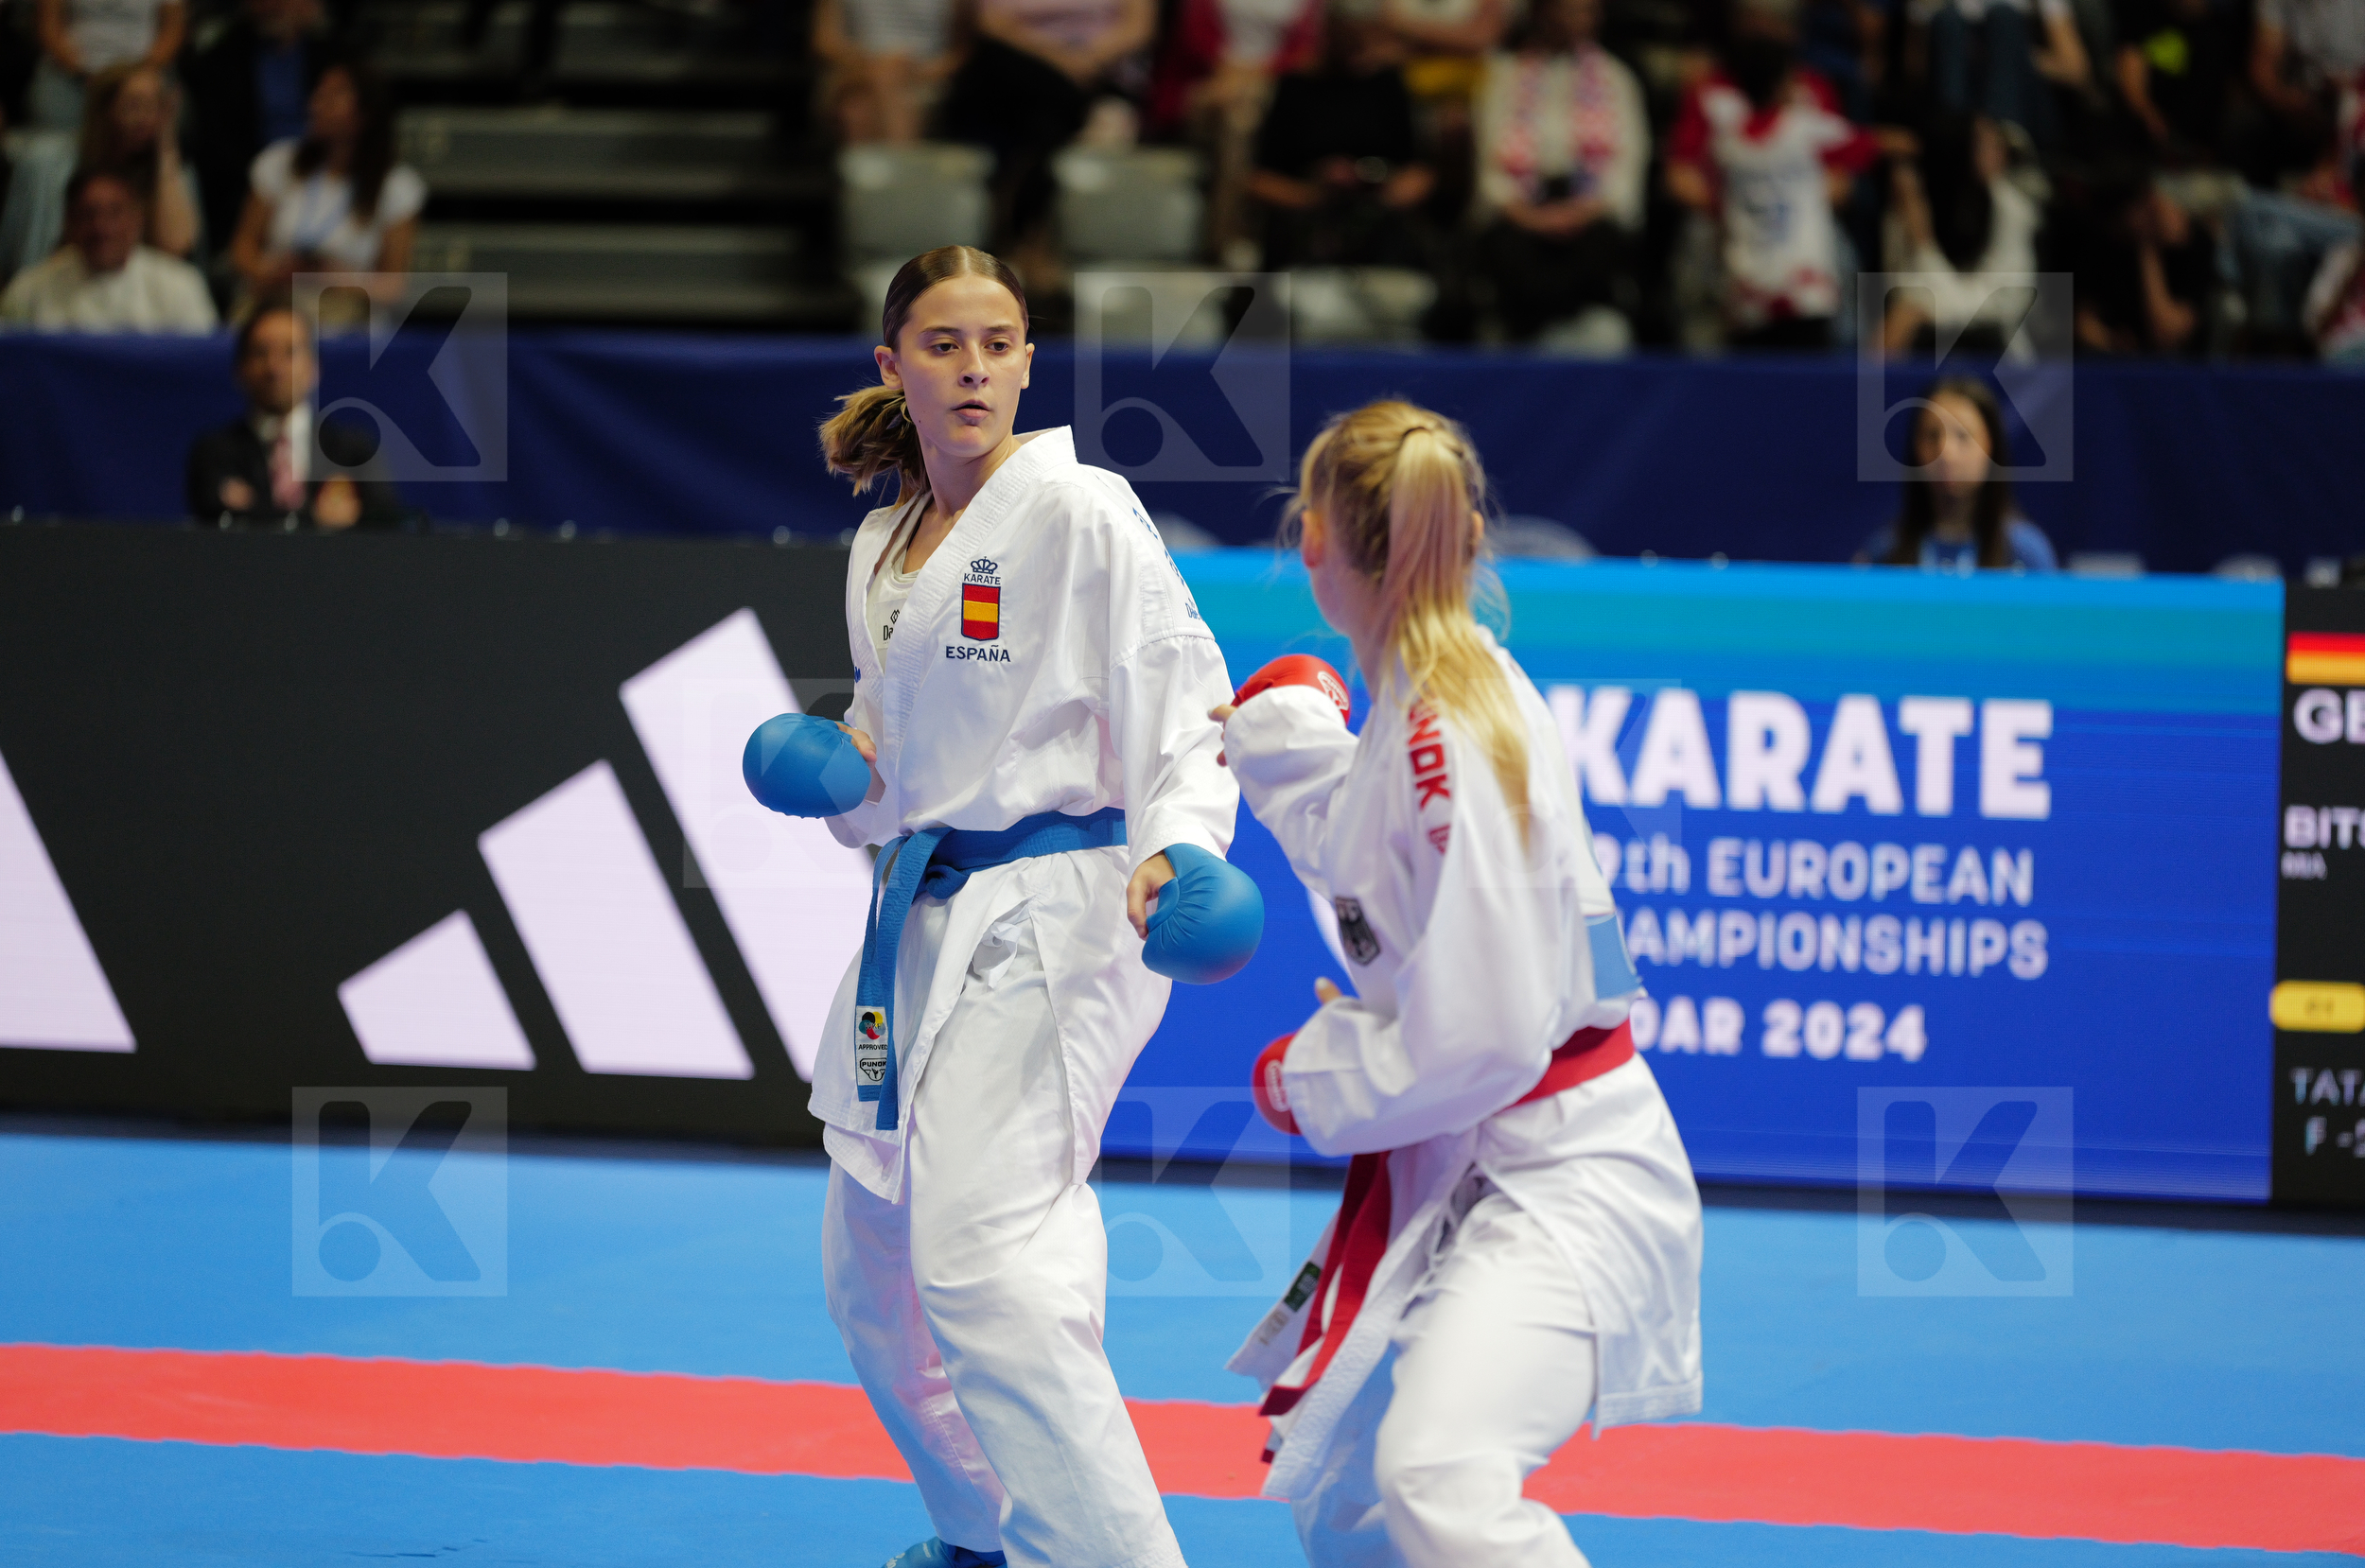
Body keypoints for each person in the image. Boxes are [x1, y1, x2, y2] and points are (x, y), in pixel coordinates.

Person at [1216, 399, 1703, 1566]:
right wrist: (1285, 743)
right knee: (1349, 1488)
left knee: (1436, 1473)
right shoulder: (1431, 701)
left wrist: (1313, 1075)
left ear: (1316, 542)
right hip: (1476, 1161)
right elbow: (1373, 857)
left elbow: (1483, 1038)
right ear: (1467, 533)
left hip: (1559, 1172)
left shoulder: (1447, 731)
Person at [810, 244, 1238, 1568]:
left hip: (1064, 903)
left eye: (998, 343)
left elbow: (1184, 695)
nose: (975, 367)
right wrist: (839, 775)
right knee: (869, 1264)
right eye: (944, 344)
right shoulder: (883, 546)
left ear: (1029, 362)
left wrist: (1184, 848)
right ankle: (981, 1532)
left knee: (992, 1258)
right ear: (895, 367)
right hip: (922, 911)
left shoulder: (1080, 507)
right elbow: (892, 774)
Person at [1665, 0, 1879, 349]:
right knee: (1698, 245)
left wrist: (1797, 205)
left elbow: (1843, 173)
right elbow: (1680, 174)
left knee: (1837, 251)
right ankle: (1702, 354)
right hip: (1722, 220)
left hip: (1799, 218)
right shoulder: (1710, 95)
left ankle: (1843, 355)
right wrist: (1731, 209)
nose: (1760, 36)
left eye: (1771, 26)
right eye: (1752, 25)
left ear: (1791, 32)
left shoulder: (1811, 94)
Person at [1470, 0, 1650, 342]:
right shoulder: (1504, 75)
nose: (1579, 19)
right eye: (1569, 9)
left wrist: (1577, 214)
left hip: (1589, 214)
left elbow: (1625, 173)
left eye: (1587, 10)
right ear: (1543, 13)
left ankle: (1572, 333)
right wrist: (1533, 218)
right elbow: (1490, 170)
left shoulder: (1617, 78)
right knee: (1511, 255)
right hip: (1523, 214)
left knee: (1597, 255)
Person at [937, 0, 1158, 255]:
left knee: (1045, 120)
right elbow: (991, 23)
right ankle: (1035, 237)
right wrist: (1059, 59)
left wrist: (1086, 60)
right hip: (1019, 73)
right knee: (1009, 87)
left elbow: (1138, 28)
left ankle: (1012, 231)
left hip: (1095, 74)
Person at [184, 300, 407, 529]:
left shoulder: (353, 451)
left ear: (314, 368)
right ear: (240, 369)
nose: (274, 367)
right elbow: (212, 518)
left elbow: (386, 523)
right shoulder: (215, 452)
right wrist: (316, 518)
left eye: (289, 353)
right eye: (261, 353)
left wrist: (254, 508)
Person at [226, 59, 423, 316]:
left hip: (344, 310)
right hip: (275, 298)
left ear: (366, 113)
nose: (317, 103)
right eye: (319, 92)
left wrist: (336, 279)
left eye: (335, 95)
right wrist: (272, 272)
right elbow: (242, 250)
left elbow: (394, 287)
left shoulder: (396, 187)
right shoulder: (278, 163)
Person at [1249, 9, 1435, 270]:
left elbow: (1420, 173)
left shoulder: (1388, 84)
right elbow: (1258, 180)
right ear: (1328, 29)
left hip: (1376, 228)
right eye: (1347, 31)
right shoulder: (1296, 86)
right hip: (1305, 230)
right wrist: (1316, 193)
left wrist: (1376, 191)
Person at [1878, 113, 2046, 355]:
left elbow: (2005, 301)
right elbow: (1903, 283)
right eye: (1984, 144)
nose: (1998, 154)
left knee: (1905, 317)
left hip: (1999, 342)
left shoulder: (2015, 210)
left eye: (1998, 144)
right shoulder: (1915, 202)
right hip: (1939, 329)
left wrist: (1923, 243)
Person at [184, 0, 334, 259]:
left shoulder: (334, 59)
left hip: (326, 177)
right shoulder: (219, 60)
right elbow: (215, 147)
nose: (274, 5)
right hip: (246, 189)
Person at [1858, 376, 2058, 568]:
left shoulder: (2026, 554)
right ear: (1915, 449)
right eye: (1932, 435)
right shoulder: (1886, 551)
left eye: (1963, 436)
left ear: (1991, 447)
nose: (1946, 454)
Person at [0, 162, 214, 328]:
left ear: (137, 218)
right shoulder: (29, 291)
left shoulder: (180, 287)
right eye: (88, 214)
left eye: (114, 213)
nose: (101, 227)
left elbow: (202, 366)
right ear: (69, 221)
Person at [75, 62, 197, 257]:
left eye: (154, 107)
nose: (145, 118)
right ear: (106, 110)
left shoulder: (171, 169)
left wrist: (166, 148)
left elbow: (177, 245)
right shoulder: (67, 165)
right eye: (133, 105)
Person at [812, 0, 960, 145]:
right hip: (857, 69)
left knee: (859, 107)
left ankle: (890, 162)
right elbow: (826, 42)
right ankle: (901, 161)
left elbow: (960, 50)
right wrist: (878, 66)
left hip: (926, 73)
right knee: (869, 94)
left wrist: (916, 72)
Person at [27, 0, 184, 130]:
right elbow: (49, 25)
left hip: (142, 71)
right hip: (75, 73)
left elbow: (173, 29)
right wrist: (82, 72)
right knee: (50, 113)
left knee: (178, 116)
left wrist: (138, 77)